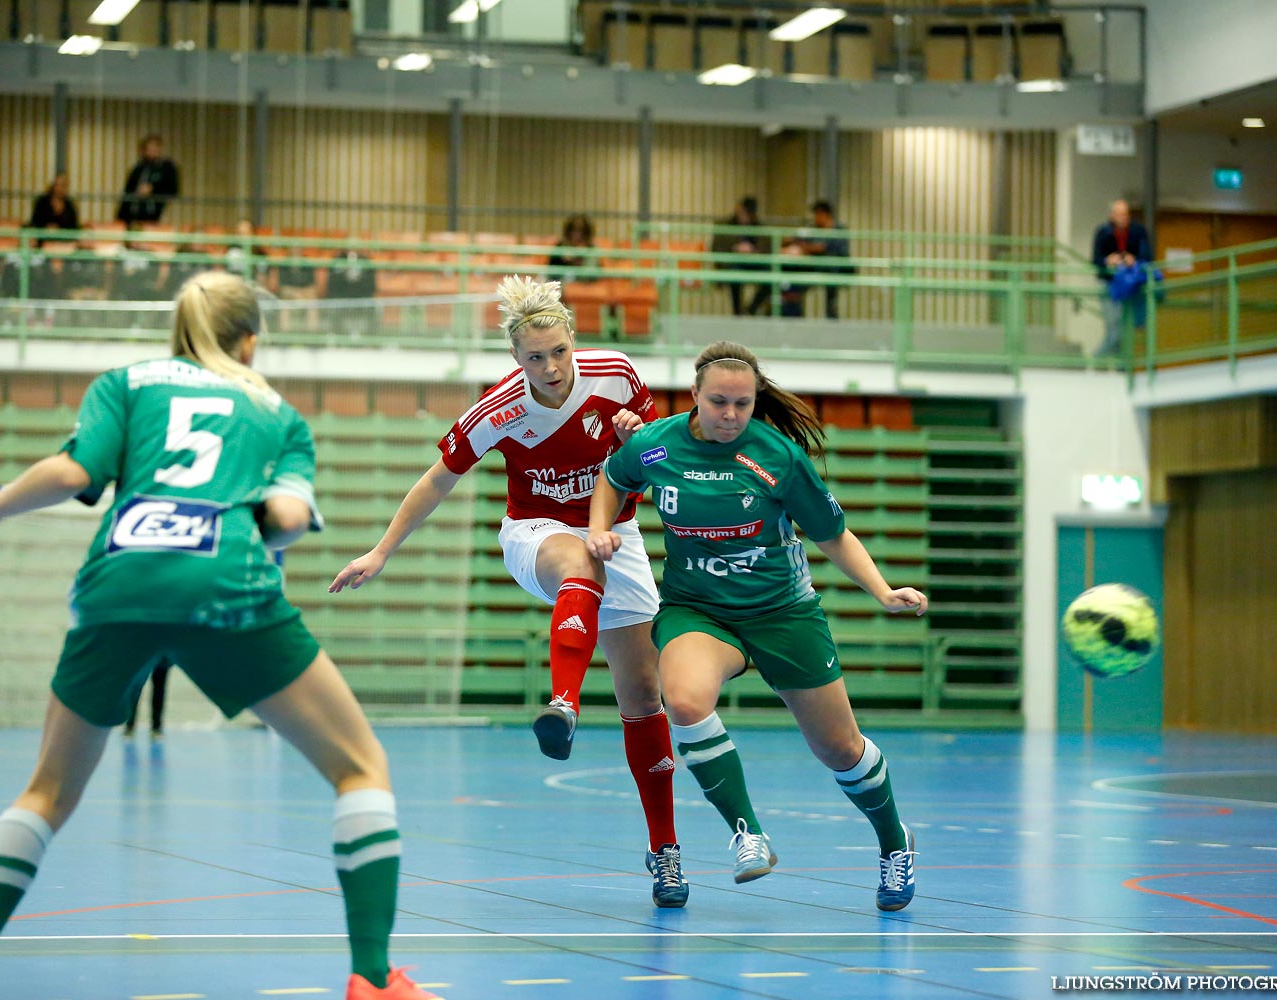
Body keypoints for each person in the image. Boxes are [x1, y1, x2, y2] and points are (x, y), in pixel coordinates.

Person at [0, 271, 440, 1000]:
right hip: (226, 586)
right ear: (250, 341)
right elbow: (286, 521)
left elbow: (72, 471)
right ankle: (374, 977)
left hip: (116, 586)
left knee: (48, 790)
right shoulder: (276, 411)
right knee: (360, 766)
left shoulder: (124, 384)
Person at [329, 274, 688, 909]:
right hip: (538, 532)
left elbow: (652, 457)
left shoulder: (619, 375)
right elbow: (435, 482)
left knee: (644, 696)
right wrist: (383, 549)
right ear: (514, 359)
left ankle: (666, 853)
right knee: (579, 564)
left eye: (558, 352)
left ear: (573, 341)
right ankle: (564, 705)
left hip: (617, 528)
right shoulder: (498, 410)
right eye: (533, 358)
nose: (549, 367)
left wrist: (639, 438)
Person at [587, 340, 925, 911]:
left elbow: (832, 534)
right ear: (694, 396)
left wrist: (882, 590)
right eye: (718, 402)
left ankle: (896, 842)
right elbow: (613, 475)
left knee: (839, 748)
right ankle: (747, 834)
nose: (730, 415)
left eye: (742, 404)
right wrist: (600, 528)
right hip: (698, 610)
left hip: (782, 613)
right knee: (686, 701)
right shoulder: (653, 445)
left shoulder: (777, 457)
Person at [1091, 198, 1153, 357]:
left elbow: (1147, 256)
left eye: (1126, 214)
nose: (1123, 218)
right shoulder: (1103, 232)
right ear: (1112, 216)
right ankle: (1096, 362)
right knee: (1114, 328)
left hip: (1131, 285)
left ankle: (1119, 366)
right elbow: (1096, 259)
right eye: (1119, 214)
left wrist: (1134, 260)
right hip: (1110, 284)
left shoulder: (1138, 231)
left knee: (1127, 328)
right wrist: (1108, 260)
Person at [782, 199, 852, 319]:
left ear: (824, 214)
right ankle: (794, 315)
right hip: (814, 267)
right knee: (793, 284)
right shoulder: (813, 229)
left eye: (817, 214)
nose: (815, 218)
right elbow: (798, 241)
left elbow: (824, 248)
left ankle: (832, 319)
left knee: (831, 291)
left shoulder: (839, 230)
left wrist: (807, 248)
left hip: (834, 269)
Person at [710, 195, 769, 317]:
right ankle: (737, 312)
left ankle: (752, 309)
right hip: (733, 263)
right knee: (734, 274)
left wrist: (754, 251)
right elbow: (718, 248)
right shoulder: (726, 226)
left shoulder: (758, 227)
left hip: (754, 263)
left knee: (771, 277)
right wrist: (735, 248)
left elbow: (766, 247)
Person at [116, 133, 181, 225]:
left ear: (160, 149)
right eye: (148, 149)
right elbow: (128, 192)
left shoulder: (167, 168)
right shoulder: (138, 168)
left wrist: (152, 189)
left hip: (153, 214)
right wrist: (119, 217)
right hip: (132, 214)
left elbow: (173, 190)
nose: (151, 152)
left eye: (154, 148)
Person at [122, 659, 170, 740]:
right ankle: (129, 726)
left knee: (158, 688)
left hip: (160, 658)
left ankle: (156, 727)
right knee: (136, 688)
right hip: (143, 657)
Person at [546, 214, 596, 284]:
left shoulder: (591, 248)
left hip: (581, 280)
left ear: (586, 233)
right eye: (573, 230)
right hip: (560, 279)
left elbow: (592, 273)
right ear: (568, 232)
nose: (577, 234)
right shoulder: (560, 245)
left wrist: (579, 260)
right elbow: (551, 268)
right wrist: (564, 259)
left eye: (581, 231)